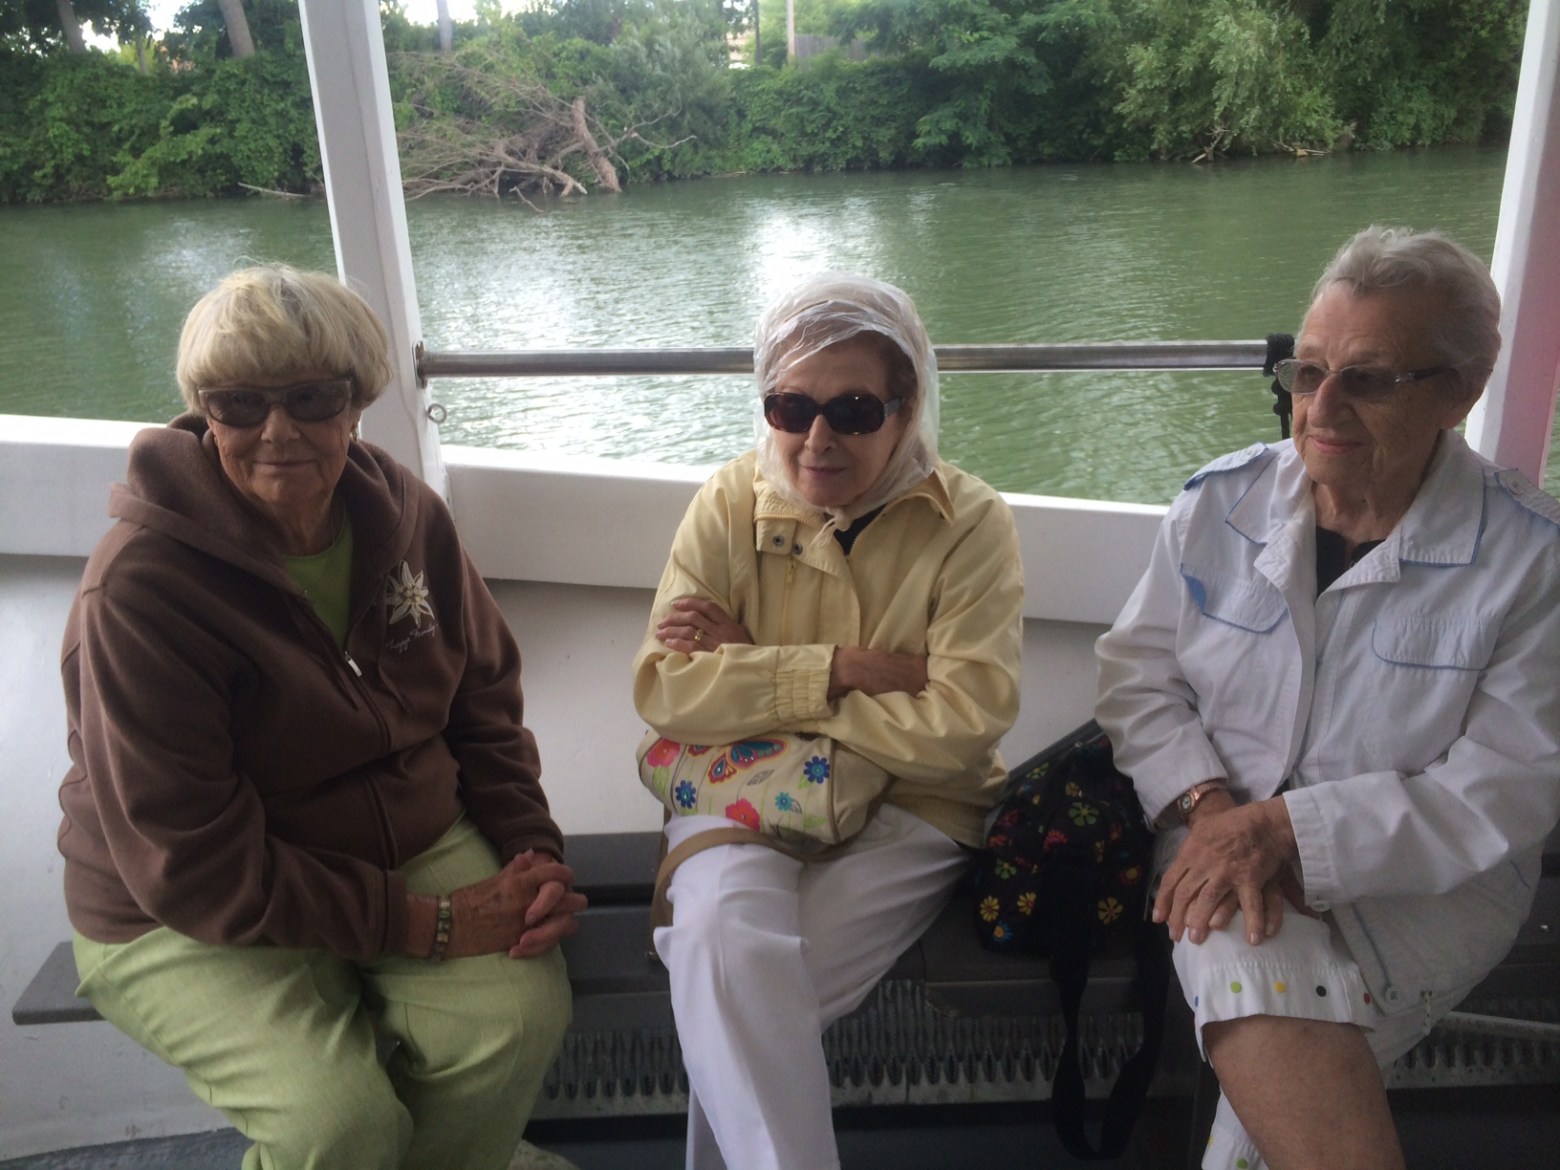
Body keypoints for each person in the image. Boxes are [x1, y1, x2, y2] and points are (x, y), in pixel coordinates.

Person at [58, 265, 586, 1170]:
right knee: (338, 1124)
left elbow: (483, 702)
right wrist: (434, 925)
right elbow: (192, 863)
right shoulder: (142, 590)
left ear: (357, 402)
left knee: (519, 1022)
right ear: (204, 411)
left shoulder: (406, 515)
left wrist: (528, 847)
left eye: (310, 398)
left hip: (402, 834)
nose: (277, 432)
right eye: (238, 404)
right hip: (184, 902)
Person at [1095, 225, 1560, 1170]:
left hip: (1428, 889)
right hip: (1213, 837)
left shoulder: (1531, 561)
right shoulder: (1216, 508)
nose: (1322, 408)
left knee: (1248, 1007)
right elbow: (1139, 680)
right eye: (1304, 373)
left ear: (1462, 392)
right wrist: (1218, 812)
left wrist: (1290, 834)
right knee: (1236, 952)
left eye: (1370, 378)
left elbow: (1508, 784)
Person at [632, 272, 1024, 1170]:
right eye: (789, 406)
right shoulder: (729, 502)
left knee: (727, 988)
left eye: (852, 409)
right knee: (726, 955)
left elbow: (967, 719)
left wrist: (755, 670)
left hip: (917, 807)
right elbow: (664, 689)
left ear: (907, 404)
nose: (816, 439)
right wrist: (844, 671)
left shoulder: (969, 524)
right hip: (744, 793)